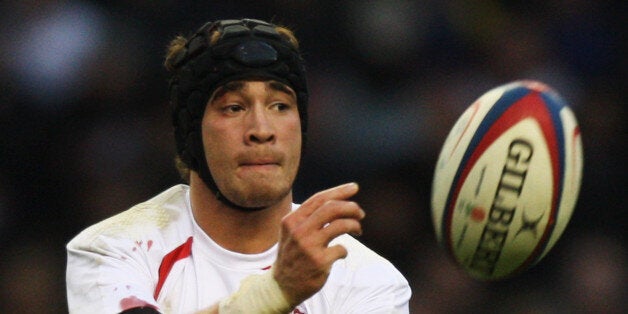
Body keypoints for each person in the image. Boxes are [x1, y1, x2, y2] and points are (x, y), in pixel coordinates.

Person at [66, 18, 411, 314]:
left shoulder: (367, 281)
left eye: (280, 105)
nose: (262, 130)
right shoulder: (112, 250)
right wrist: (274, 294)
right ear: (190, 134)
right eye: (233, 107)